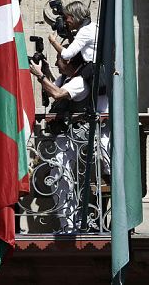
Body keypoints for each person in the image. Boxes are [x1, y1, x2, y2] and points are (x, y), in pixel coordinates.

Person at [29, 53, 89, 233]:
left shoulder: (79, 81)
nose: (56, 63)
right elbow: (52, 88)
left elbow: (57, 93)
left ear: (68, 61)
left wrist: (40, 76)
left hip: (73, 139)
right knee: (59, 179)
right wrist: (45, 71)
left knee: (63, 179)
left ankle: (71, 226)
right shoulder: (66, 78)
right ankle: (67, 224)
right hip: (63, 139)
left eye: (58, 60)